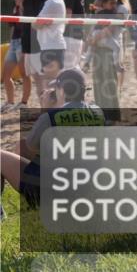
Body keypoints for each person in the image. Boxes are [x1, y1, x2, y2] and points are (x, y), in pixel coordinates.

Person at [0, 68, 104, 209]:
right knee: (22, 146)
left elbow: (31, 146)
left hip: (55, 194)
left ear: (62, 91)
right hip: (86, 188)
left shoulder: (51, 117)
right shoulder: (98, 112)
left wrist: (46, 111)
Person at [51, 0, 85, 69]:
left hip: (71, 34)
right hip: (73, 33)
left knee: (68, 67)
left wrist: (58, 32)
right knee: (71, 67)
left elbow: (68, 13)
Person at [35, 0, 67, 76]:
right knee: (49, 81)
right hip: (50, 46)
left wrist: (35, 23)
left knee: (51, 82)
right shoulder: (53, 1)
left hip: (52, 47)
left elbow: (36, 24)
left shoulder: (53, 3)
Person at [1, 0, 29, 112]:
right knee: (6, 74)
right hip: (14, 42)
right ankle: (10, 102)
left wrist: (22, 8)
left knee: (24, 74)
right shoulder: (15, 9)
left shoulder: (28, 9)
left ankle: (24, 102)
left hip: (24, 43)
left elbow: (27, 27)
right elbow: (12, 27)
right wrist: (10, 42)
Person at [20, 0, 45, 107]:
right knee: (36, 79)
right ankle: (43, 109)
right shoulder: (26, 0)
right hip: (27, 45)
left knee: (43, 80)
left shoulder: (47, 1)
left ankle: (47, 110)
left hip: (40, 46)